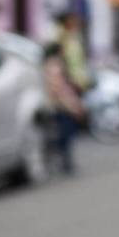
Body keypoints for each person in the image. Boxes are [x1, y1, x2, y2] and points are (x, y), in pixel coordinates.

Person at [42, 43, 84, 175]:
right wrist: (72, 106)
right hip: (61, 106)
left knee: (62, 135)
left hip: (59, 105)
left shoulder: (50, 65)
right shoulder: (54, 66)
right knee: (64, 135)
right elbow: (59, 89)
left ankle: (63, 161)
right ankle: (64, 162)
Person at [55, 11, 91, 95]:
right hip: (70, 82)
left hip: (79, 79)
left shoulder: (74, 37)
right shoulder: (62, 39)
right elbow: (62, 61)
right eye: (71, 20)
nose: (75, 23)